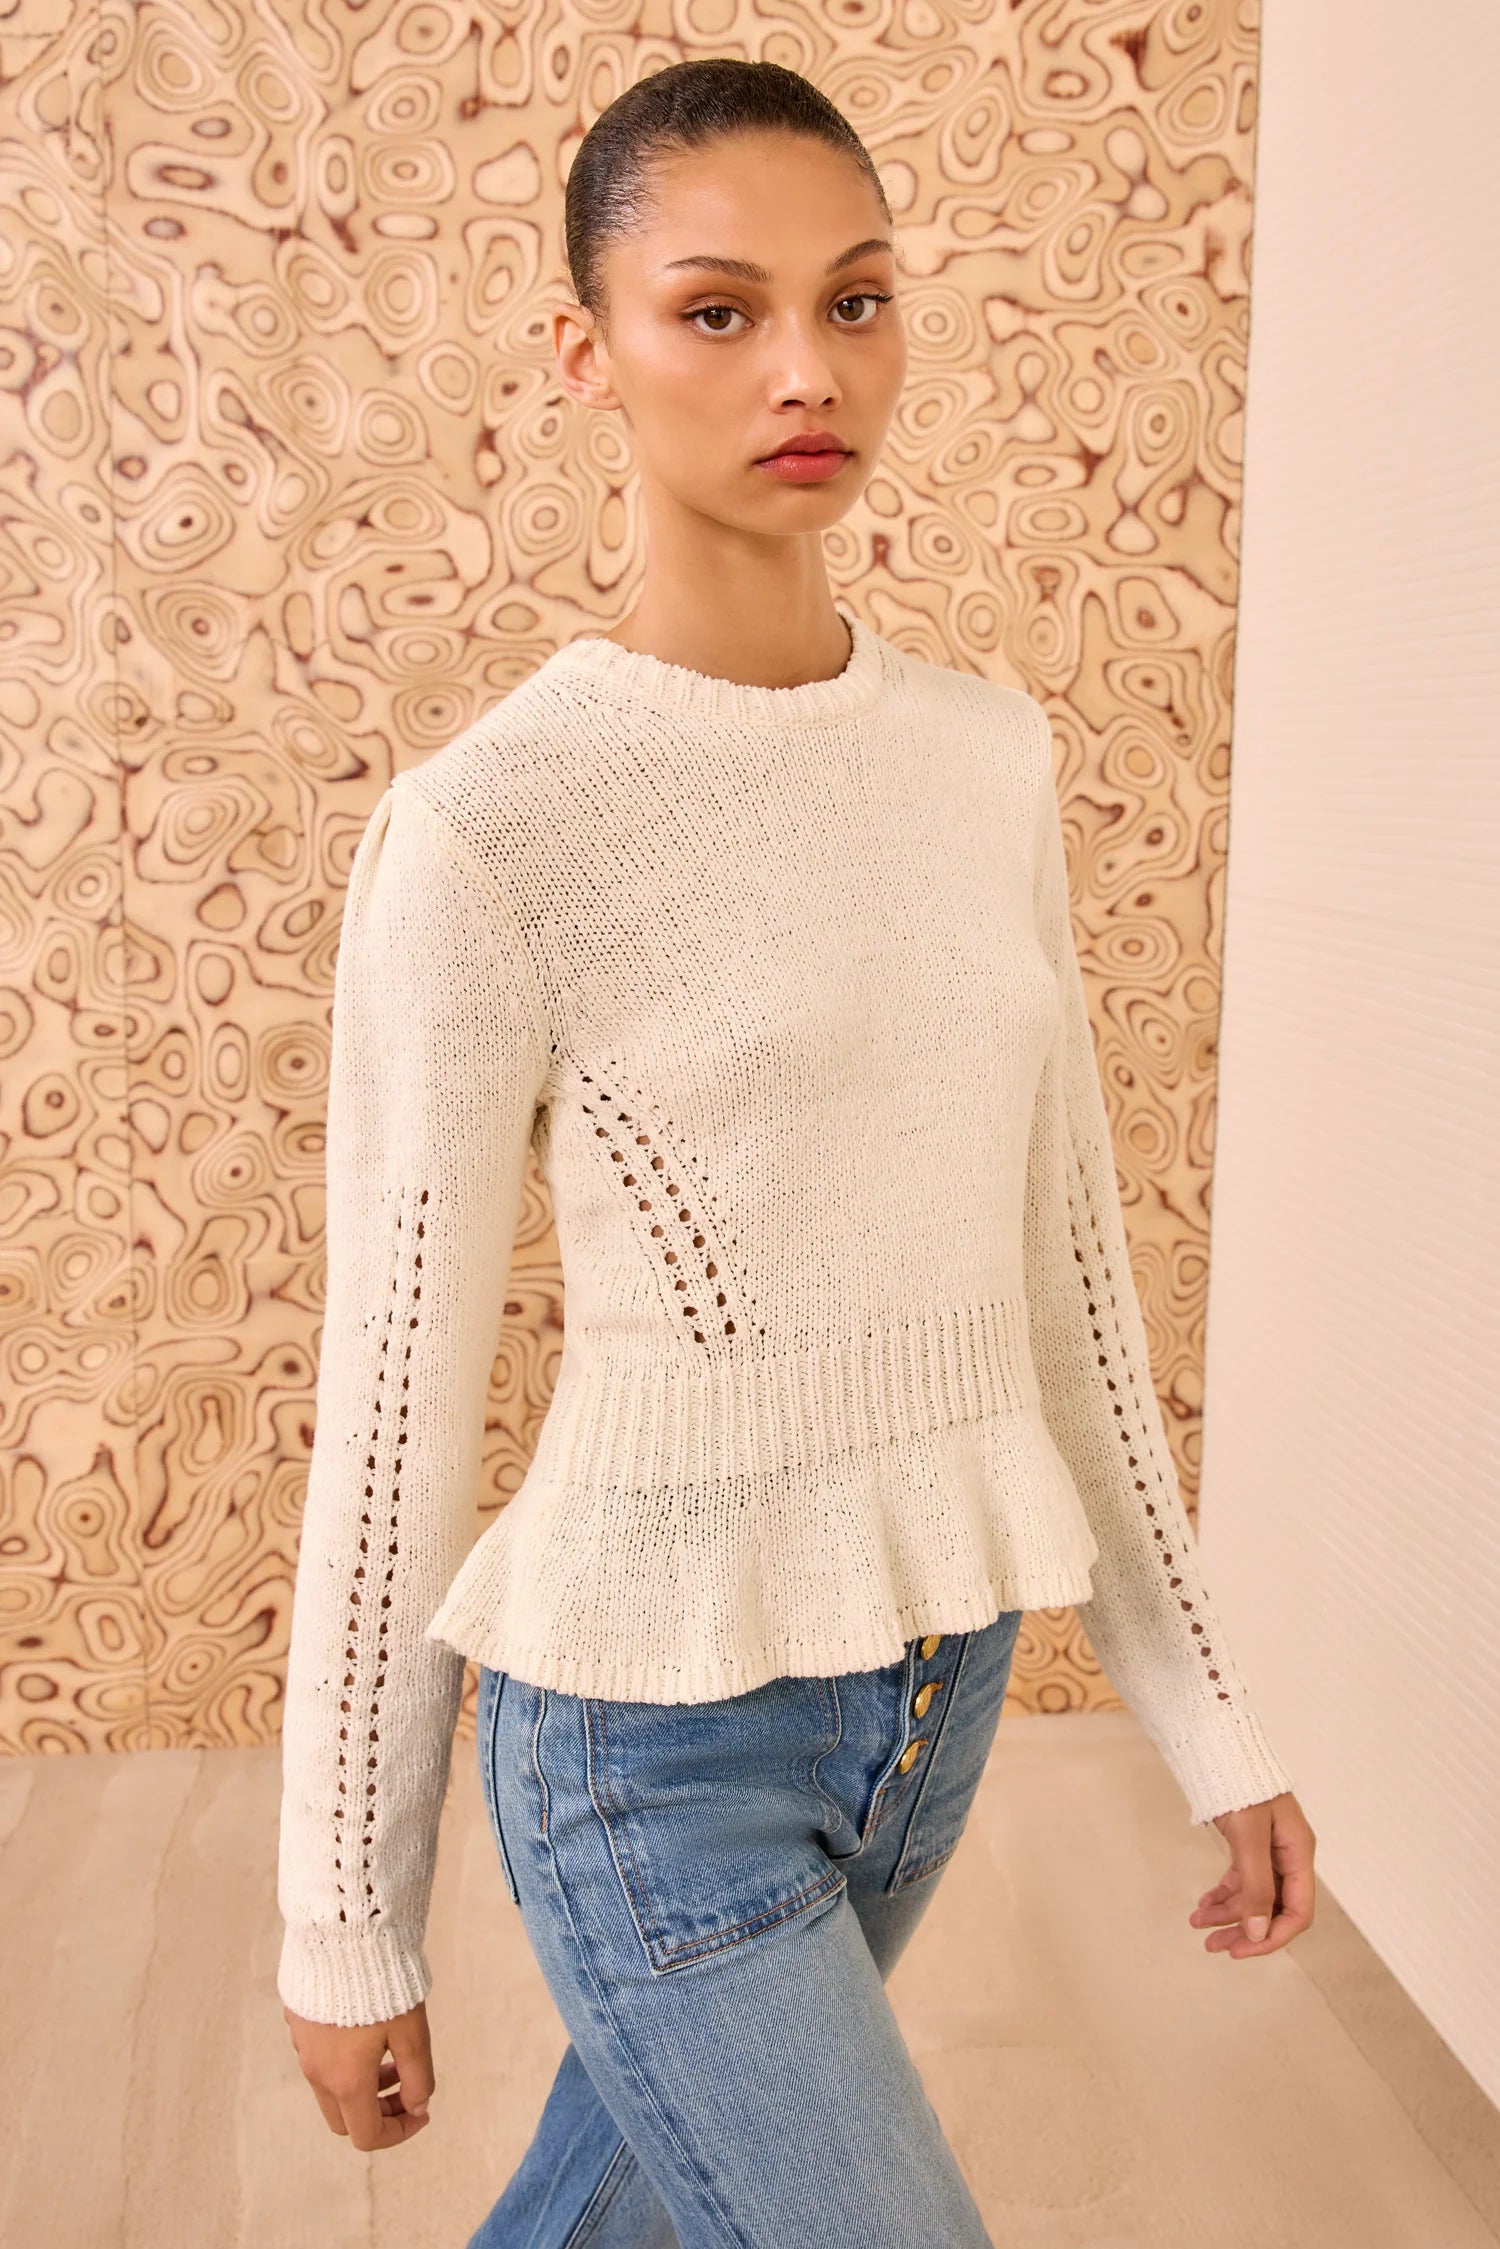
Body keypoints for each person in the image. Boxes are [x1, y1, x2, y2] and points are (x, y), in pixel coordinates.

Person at [277, 55, 1317, 2247]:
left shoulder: (986, 759)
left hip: (936, 1683)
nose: (807, 370)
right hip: (646, 1741)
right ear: (588, 351)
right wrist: (341, 1911)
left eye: (856, 300)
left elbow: (1073, 1286)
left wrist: (1210, 1717)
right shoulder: (493, 827)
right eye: (716, 310)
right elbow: (392, 1403)